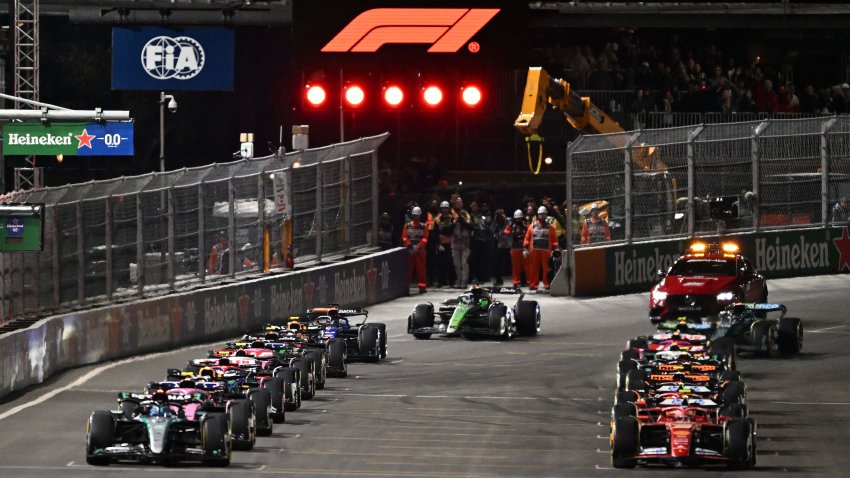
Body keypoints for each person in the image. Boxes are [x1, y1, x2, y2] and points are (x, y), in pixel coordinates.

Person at [524, 206, 558, 292]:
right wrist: (525, 248)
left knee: (547, 268)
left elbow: (554, 239)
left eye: (544, 214)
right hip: (534, 251)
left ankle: (547, 284)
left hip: (546, 251)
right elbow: (527, 237)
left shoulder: (550, 227)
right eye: (541, 214)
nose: (542, 216)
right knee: (534, 268)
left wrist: (554, 248)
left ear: (546, 215)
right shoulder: (532, 225)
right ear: (538, 215)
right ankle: (533, 284)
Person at [402, 207, 429, 293]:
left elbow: (425, 239)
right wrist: (409, 245)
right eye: (415, 215)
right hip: (410, 250)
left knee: (421, 269)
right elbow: (404, 237)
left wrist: (418, 246)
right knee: (408, 269)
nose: (416, 217)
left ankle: (422, 288)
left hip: (420, 251)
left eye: (418, 215)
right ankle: (406, 288)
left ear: (420, 215)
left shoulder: (424, 226)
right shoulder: (407, 225)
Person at [451, 196, 473, 288]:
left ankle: (464, 282)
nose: (458, 203)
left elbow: (470, 226)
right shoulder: (451, 213)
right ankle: (458, 281)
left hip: (465, 243)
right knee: (456, 264)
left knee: (464, 263)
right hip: (455, 243)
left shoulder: (465, 213)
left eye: (460, 202)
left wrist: (463, 221)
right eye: (457, 202)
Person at [433, 201, 456, 287]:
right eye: (443, 208)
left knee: (451, 264)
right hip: (441, 245)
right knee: (441, 264)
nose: (445, 210)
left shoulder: (452, 218)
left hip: (451, 244)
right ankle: (441, 281)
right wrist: (438, 244)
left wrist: (446, 230)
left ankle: (452, 282)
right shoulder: (437, 219)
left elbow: (452, 231)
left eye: (446, 208)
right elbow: (435, 233)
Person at [505, 209, 528, 287]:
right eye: (517, 218)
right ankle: (516, 281)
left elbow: (529, 232)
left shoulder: (525, 224)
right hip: (514, 248)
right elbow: (506, 232)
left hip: (524, 248)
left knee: (526, 266)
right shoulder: (512, 225)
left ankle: (525, 281)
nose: (518, 220)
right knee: (516, 266)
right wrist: (510, 228)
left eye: (520, 218)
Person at [491, 209, 511, 286]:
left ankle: (521, 281)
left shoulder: (509, 221)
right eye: (498, 215)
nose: (500, 217)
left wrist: (505, 219)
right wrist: (494, 221)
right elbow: (492, 230)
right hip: (501, 246)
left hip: (510, 246)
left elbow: (510, 229)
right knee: (496, 263)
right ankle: (499, 280)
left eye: (501, 215)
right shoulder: (497, 223)